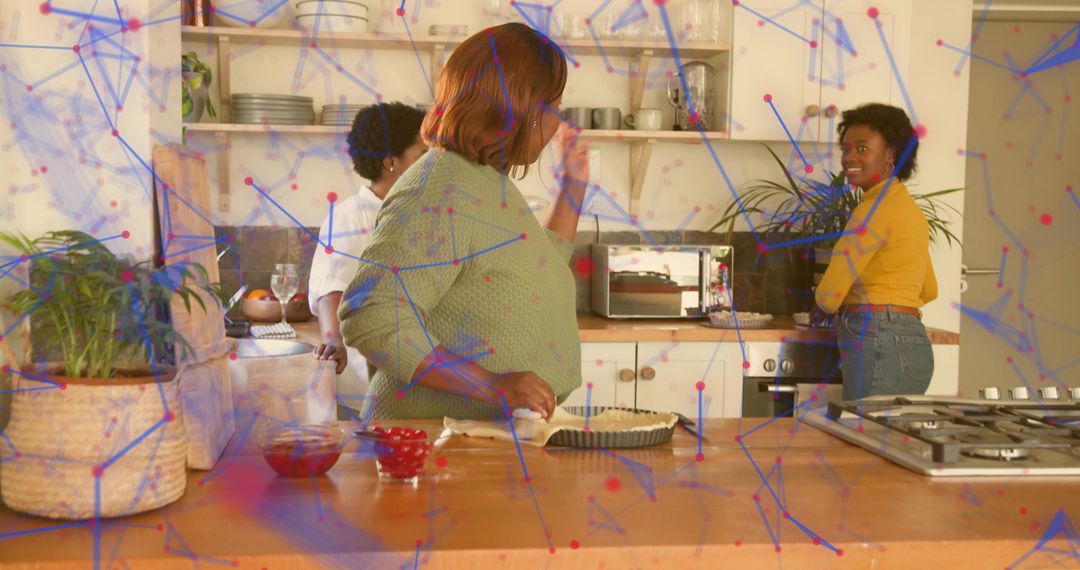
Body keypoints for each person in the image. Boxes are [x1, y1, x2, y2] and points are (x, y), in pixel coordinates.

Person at [337, 23, 589, 420]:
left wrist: (574, 185)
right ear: (521, 109)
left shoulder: (485, 180)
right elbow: (372, 314)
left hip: (473, 441)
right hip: (427, 443)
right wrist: (489, 384)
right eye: (553, 107)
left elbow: (539, 264)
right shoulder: (442, 187)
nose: (557, 121)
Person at [811, 103, 937, 401]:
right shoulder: (909, 210)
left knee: (867, 436)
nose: (849, 158)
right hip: (913, 343)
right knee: (887, 442)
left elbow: (829, 297)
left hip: (877, 339)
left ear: (891, 155)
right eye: (846, 149)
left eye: (863, 148)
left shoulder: (872, 210)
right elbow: (929, 289)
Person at [308, 102, 427, 413]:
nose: (430, 166)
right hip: (364, 388)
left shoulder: (423, 212)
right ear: (391, 162)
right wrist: (333, 342)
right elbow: (330, 289)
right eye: (421, 156)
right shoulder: (349, 216)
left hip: (415, 379)